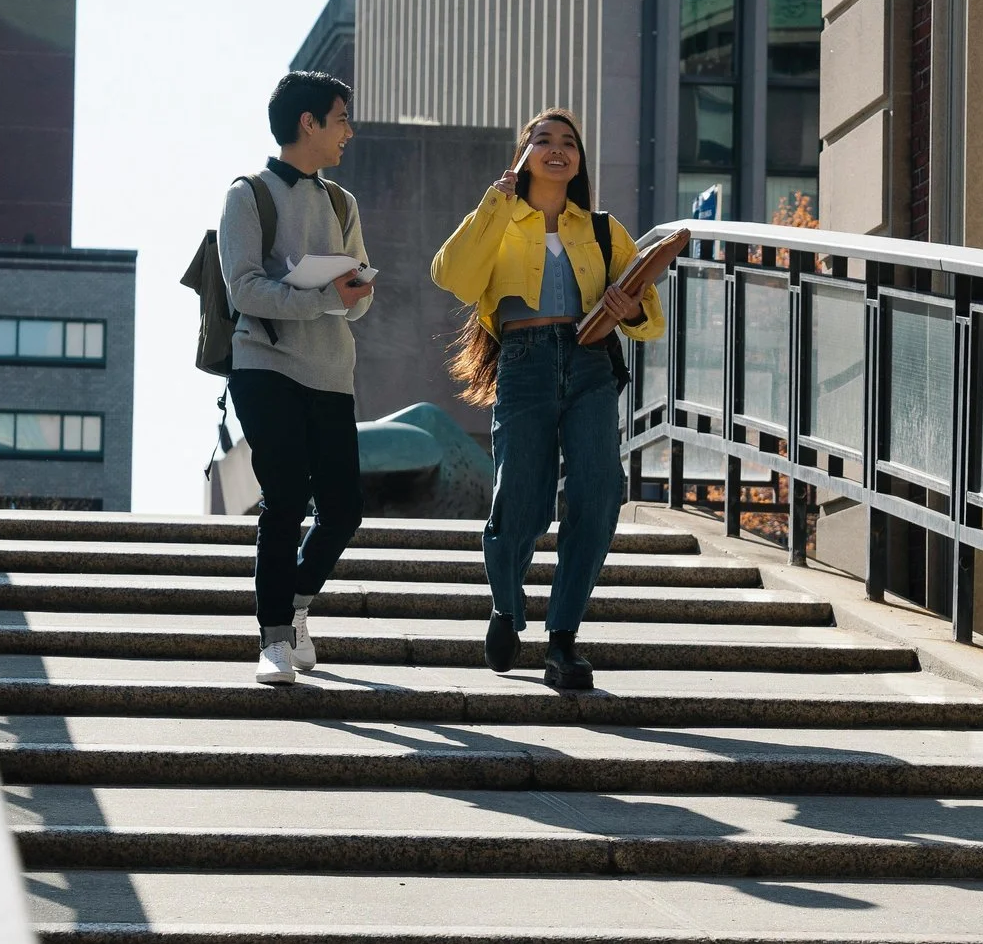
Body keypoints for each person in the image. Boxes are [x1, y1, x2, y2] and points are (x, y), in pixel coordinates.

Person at [430, 108, 665, 691]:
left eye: (569, 143)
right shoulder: (498, 220)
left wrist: (626, 308)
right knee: (521, 503)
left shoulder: (603, 229)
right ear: (524, 153)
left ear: (580, 160)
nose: (557, 150)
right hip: (524, 361)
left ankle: (562, 641)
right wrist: (495, 201)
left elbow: (650, 316)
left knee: (599, 491)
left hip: (589, 363)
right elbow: (452, 276)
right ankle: (507, 610)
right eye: (543, 140)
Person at [218, 70, 374, 686]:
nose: (347, 131)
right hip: (264, 364)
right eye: (340, 118)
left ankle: (298, 601)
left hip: (331, 369)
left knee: (344, 511)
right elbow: (242, 288)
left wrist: (352, 293)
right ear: (307, 123)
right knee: (285, 499)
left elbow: (356, 299)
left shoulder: (342, 203)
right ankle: (275, 638)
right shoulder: (247, 194)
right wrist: (316, 296)